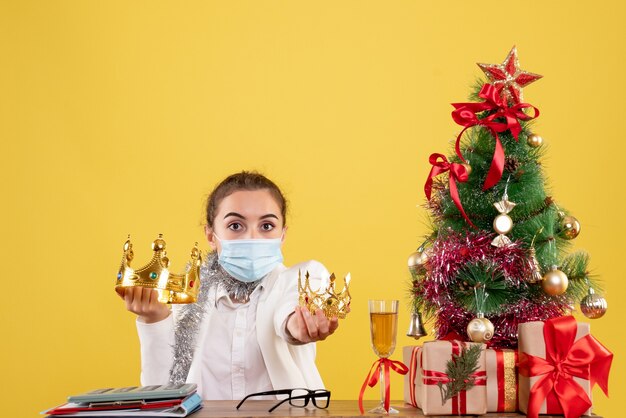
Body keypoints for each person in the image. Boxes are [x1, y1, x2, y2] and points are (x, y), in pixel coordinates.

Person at [121, 171, 340, 400]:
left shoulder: (298, 280)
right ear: (210, 235)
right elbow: (160, 395)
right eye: (236, 226)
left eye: (266, 226)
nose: (252, 238)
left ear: (282, 235)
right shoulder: (186, 300)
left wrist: (295, 325)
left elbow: (291, 309)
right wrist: (154, 320)